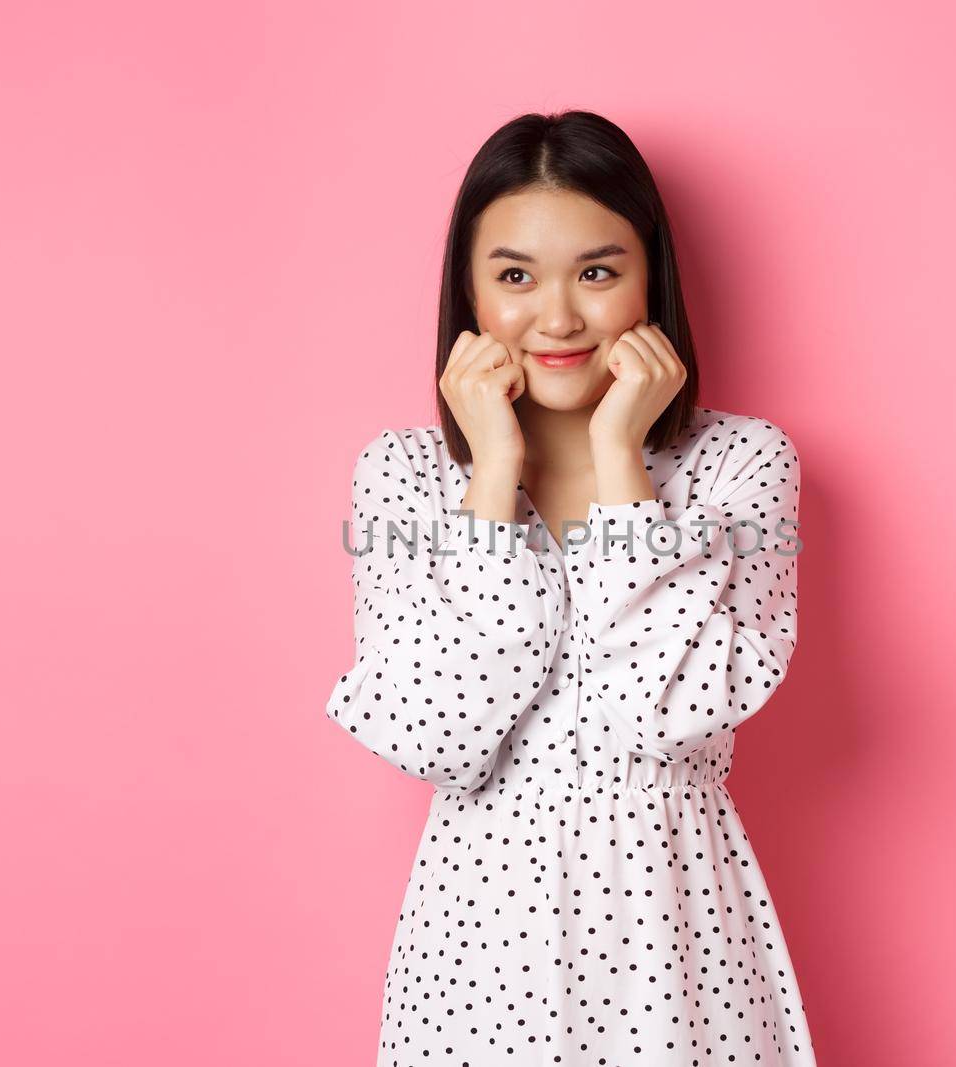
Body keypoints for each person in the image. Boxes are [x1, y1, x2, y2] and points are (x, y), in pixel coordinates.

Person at [325, 109, 816, 1065]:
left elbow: (664, 713)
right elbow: (437, 736)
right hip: (474, 955)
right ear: (468, 291)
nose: (557, 318)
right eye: (515, 276)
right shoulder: (403, 479)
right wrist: (493, 476)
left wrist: (620, 463)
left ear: (650, 279)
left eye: (597, 272)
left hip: (675, 946)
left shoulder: (740, 467)